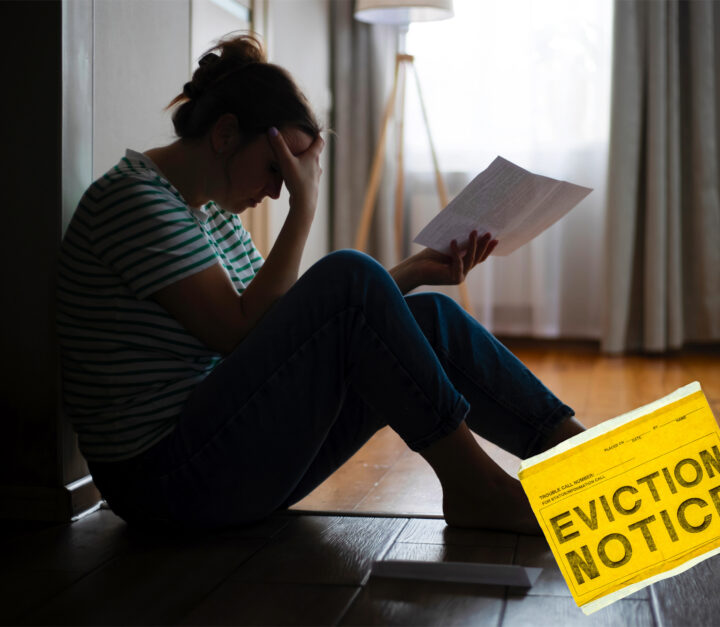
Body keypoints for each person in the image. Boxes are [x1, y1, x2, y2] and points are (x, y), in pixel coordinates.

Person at [58, 34, 584, 534]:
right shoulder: (133, 202)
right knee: (349, 272)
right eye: (276, 169)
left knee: (430, 316)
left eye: (290, 178)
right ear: (224, 134)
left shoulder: (210, 215)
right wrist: (304, 208)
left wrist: (413, 272)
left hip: (217, 454)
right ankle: (477, 487)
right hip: (164, 482)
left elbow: (288, 331)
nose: (277, 191)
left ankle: (585, 456)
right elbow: (238, 333)